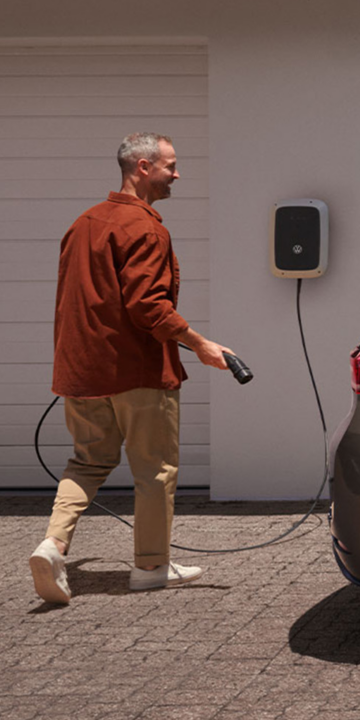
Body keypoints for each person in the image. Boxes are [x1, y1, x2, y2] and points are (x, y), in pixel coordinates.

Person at [29, 132, 232, 605]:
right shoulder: (146, 228)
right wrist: (201, 345)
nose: (177, 175)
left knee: (87, 461)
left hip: (82, 373)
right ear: (142, 167)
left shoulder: (82, 224)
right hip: (138, 373)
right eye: (170, 166)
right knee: (155, 472)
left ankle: (53, 545)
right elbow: (148, 307)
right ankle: (150, 568)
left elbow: (71, 303)